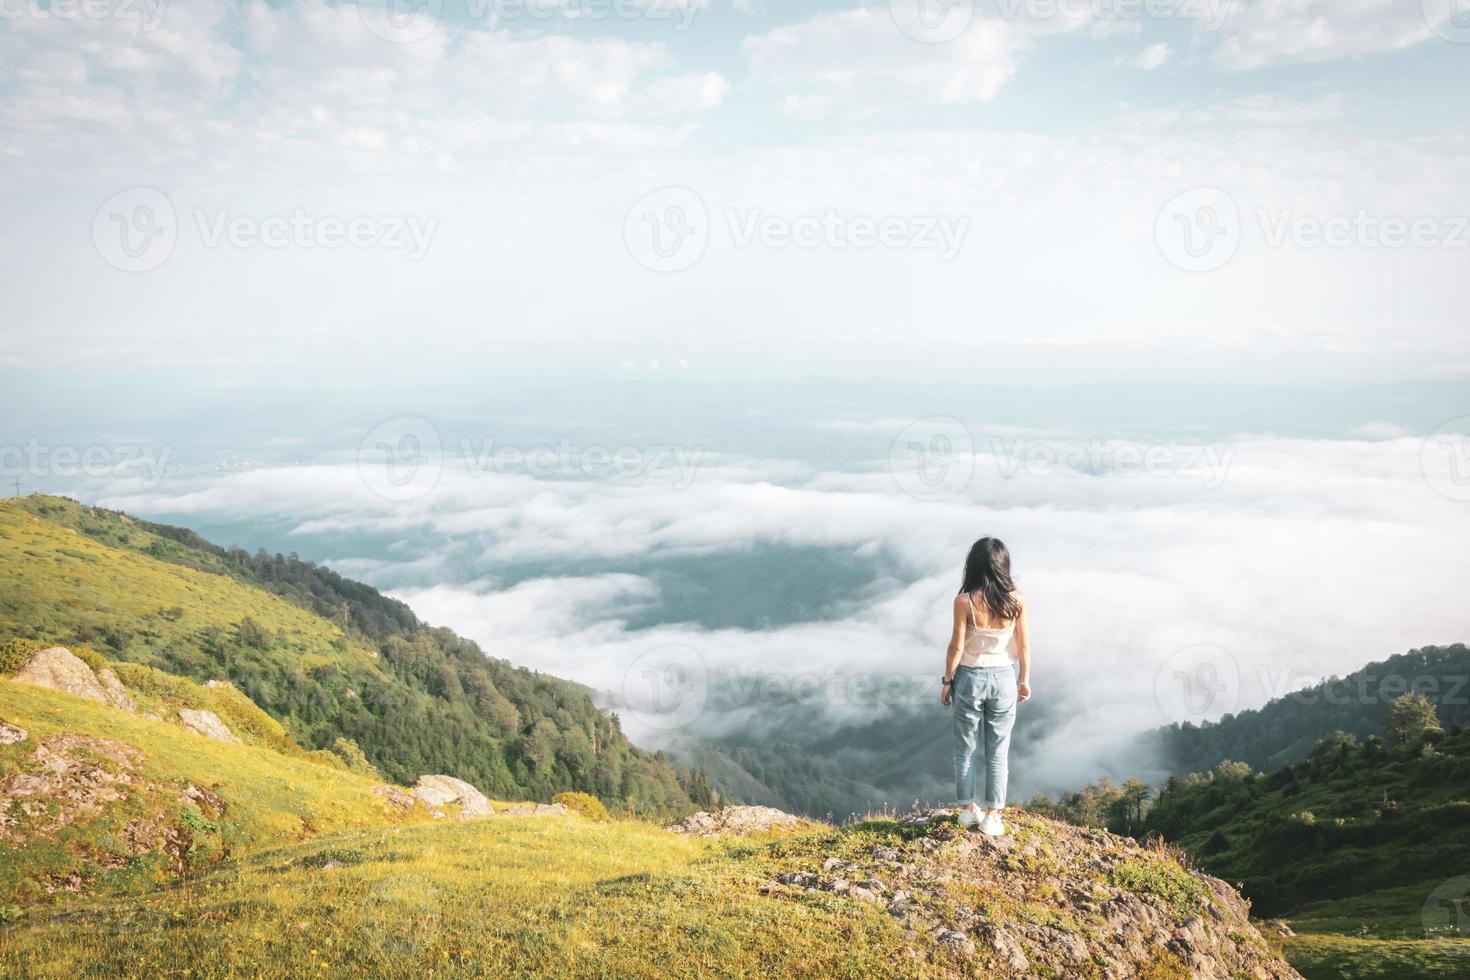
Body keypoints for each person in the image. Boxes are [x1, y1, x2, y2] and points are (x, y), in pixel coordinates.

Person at [940, 536, 1031, 836]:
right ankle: (993, 815)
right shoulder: (1017, 600)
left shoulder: (964, 601)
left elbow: (956, 646)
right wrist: (1024, 679)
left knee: (965, 748)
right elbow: (1024, 645)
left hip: (969, 677)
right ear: (1003, 565)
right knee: (998, 751)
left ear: (974, 566)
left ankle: (968, 810)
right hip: (1004, 677)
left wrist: (947, 681)